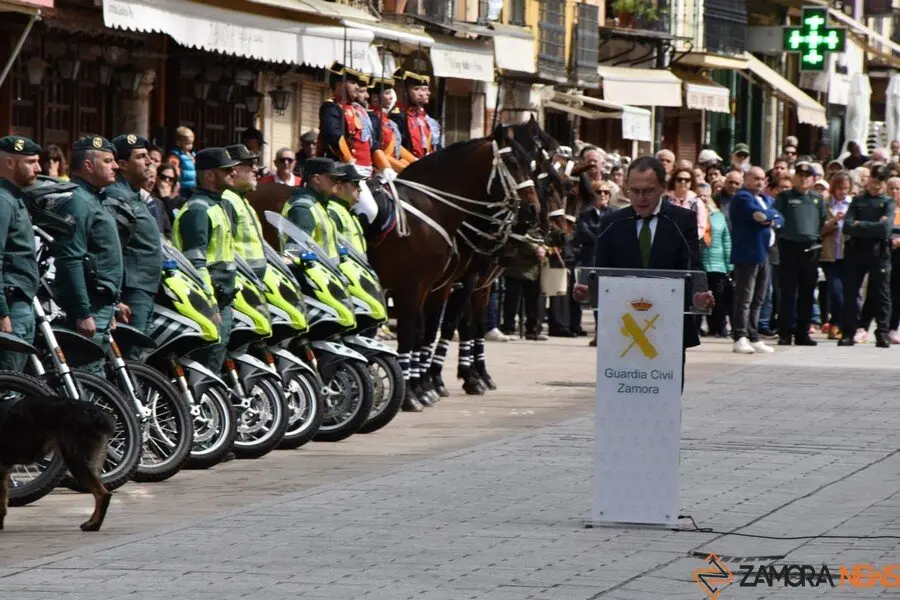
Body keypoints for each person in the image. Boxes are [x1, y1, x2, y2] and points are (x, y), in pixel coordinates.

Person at [573, 156, 714, 391]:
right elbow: (602, 272)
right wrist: (589, 291)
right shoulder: (612, 222)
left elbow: (692, 266)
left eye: (648, 191)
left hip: (668, 324)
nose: (640, 198)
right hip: (623, 326)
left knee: (664, 395)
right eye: (634, 191)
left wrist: (698, 295)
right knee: (623, 393)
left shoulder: (682, 220)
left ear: (662, 188)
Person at [52, 136, 124, 373]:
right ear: (89, 166)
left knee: (97, 374)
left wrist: (113, 304)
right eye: (108, 161)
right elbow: (70, 259)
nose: (116, 166)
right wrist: (82, 312)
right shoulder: (79, 202)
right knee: (88, 376)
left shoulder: (95, 198)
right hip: (89, 305)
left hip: (102, 303)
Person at [172, 148, 240, 371]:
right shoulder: (198, 210)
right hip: (210, 302)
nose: (234, 173)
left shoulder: (217, 205)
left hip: (224, 298)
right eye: (227, 170)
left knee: (215, 361)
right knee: (206, 366)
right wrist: (209, 306)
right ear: (209, 175)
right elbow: (196, 264)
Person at [106, 134, 163, 347]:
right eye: (141, 157)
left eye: (148, 156)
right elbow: (113, 250)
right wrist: (116, 298)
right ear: (122, 165)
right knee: (131, 356)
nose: (149, 161)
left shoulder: (133, 195)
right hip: (131, 289)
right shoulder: (117, 196)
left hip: (144, 287)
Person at [838, 164, 895, 348]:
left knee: (882, 294)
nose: (875, 185)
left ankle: (882, 332)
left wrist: (860, 225)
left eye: (880, 182)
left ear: (885, 183)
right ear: (868, 179)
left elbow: (885, 229)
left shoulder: (888, 202)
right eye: (873, 180)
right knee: (850, 293)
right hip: (857, 250)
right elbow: (847, 226)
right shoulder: (858, 201)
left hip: (879, 252)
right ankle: (848, 332)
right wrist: (873, 226)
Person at [773, 162, 826, 346]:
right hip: (789, 248)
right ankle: (785, 332)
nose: (803, 179)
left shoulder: (817, 199)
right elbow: (776, 218)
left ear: (813, 179)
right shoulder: (785, 197)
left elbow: (822, 222)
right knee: (788, 293)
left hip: (810, 250)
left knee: (807, 293)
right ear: (794, 177)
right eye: (800, 175)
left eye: (807, 176)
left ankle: (802, 333)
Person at [729, 166, 781, 354]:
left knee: (760, 297)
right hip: (748, 254)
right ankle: (740, 336)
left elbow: (779, 217)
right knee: (745, 297)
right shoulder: (742, 197)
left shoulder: (766, 199)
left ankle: (753, 335)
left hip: (765, 253)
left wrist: (770, 218)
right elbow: (756, 215)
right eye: (755, 178)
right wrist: (769, 217)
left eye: (762, 179)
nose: (760, 182)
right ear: (746, 179)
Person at [0, 136, 42, 370]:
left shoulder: (15, 198)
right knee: (8, 385)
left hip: (20, 301)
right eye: (31, 162)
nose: (39, 168)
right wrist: (1, 312)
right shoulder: (3, 201)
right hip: (10, 303)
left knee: (19, 381)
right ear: (9, 163)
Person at [282, 157, 343, 259]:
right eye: (333, 178)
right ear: (317, 179)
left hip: (327, 272)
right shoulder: (303, 209)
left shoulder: (319, 203)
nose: (337, 183)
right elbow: (295, 254)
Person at [223, 144, 268, 280]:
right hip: (240, 280)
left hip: (251, 280)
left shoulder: (240, 200)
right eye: (250, 164)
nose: (255, 169)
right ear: (234, 169)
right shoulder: (227, 200)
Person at [819, 171, 852, 340]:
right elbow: (819, 230)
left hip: (848, 255)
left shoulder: (853, 204)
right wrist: (834, 222)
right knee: (836, 292)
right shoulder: (824, 204)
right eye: (839, 188)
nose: (843, 192)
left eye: (846, 188)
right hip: (830, 256)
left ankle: (838, 325)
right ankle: (834, 324)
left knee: (849, 294)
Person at [390, 68, 438, 160]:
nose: (422, 94)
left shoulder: (421, 116)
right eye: (416, 89)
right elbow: (398, 145)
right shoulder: (398, 115)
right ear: (404, 91)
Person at [328, 163, 367, 255]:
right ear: (340, 187)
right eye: (356, 184)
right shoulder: (332, 212)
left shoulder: (347, 210)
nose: (360, 189)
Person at [166, 126, 196, 199]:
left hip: (192, 187)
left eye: (191, 143)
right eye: (187, 144)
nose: (190, 146)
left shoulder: (191, 155)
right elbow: (173, 170)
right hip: (182, 188)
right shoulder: (176, 155)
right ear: (179, 143)